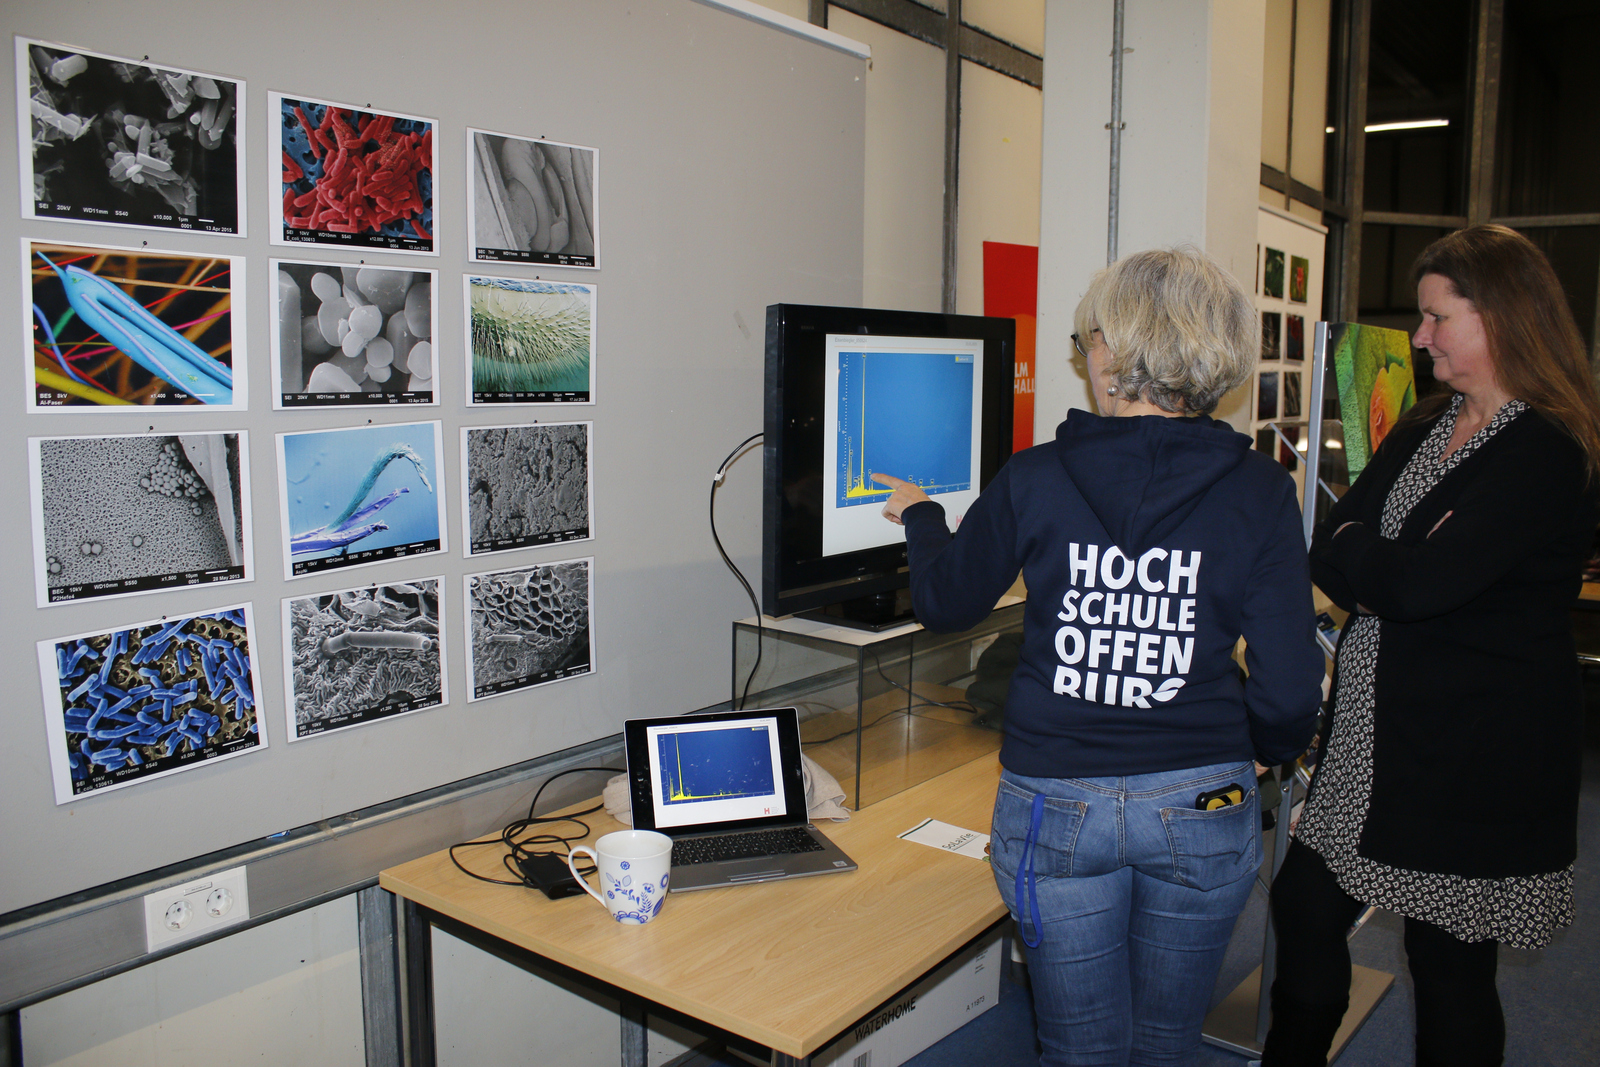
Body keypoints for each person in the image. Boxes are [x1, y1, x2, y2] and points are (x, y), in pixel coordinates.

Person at [873, 247, 1324, 1066]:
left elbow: (944, 602)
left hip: (1056, 803)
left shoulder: (1037, 477)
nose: (1085, 358)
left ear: (1115, 352)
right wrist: (1260, 752)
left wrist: (923, 516)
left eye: (1087, 342)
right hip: (1203, 798)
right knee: (1165, 1043)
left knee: (1078, 1048)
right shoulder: (1261, 490)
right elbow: (1293, 684)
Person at [1261, 225, 1600, 1067]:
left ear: (1502, 318)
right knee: (1304, 906)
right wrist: (1387, 564)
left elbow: (1414, 586)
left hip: (1473, 756)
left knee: (1448, 966)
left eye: (1436, 317)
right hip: (1371, 744)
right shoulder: (1425, 424)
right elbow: (1331, 538)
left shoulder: (1546, 452)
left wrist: (1381, 565)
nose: (1418, 338)